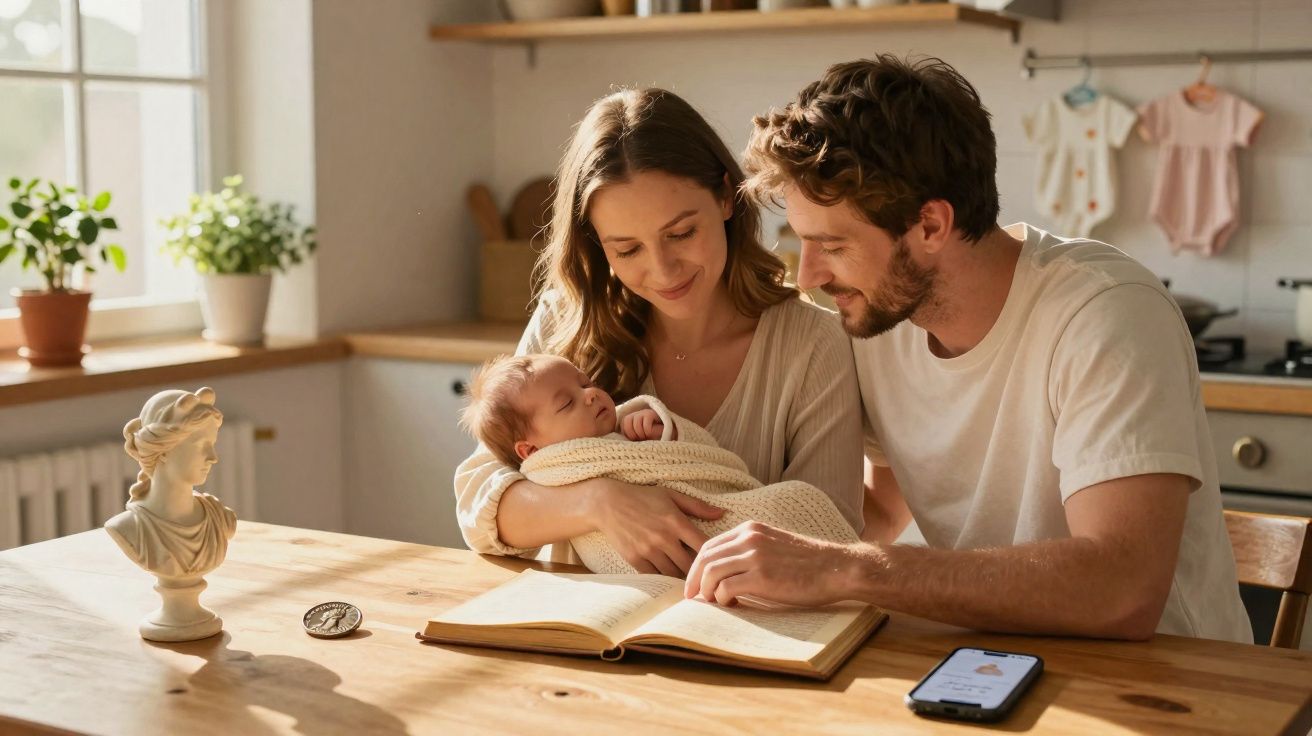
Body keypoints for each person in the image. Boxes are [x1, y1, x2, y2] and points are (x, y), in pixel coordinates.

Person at [685, 55, 1252, 643]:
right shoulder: (884, 317)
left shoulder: (1104, 312)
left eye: (831, 244)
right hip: (991, 665)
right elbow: (878, 511)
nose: (808, 276)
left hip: (1176, 691)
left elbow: (1122, 588)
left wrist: (843, 569)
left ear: (930, 225)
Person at [454, 87, 865, 577]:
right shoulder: (567, 320)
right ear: (597, 246)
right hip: (588, 636)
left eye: (681, 233)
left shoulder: (812, 345)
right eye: (627, 249)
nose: (664, 270)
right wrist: (602, 501)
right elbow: (479, 506)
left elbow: (832, 530)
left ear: (726, 197)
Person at [458, 352, 859, 575]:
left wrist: (664, 429)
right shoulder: (552, 468)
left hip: (713, 515)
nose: (592, 395)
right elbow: (480, 507)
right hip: (627, 573)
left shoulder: (624, 429)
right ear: (529, 451)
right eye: (567, 402)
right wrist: (600, 501)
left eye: (584, 383)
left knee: (791, 503)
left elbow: (702, 459)